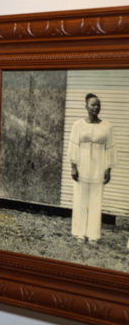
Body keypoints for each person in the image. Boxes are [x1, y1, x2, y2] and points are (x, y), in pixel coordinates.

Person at [69, 92, 117, 243]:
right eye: (93, 105)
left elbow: (110, 149)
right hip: (82, 166)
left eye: (98, 105)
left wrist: (108, 170)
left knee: (96, 201)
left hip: (98, 167)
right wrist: (73, 167)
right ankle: (79, 233)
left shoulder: (107, 127)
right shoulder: (78, 125)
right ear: (86, 106)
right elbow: (73, 147)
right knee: (80, 199)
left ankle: (93, 235)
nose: (96, 107)